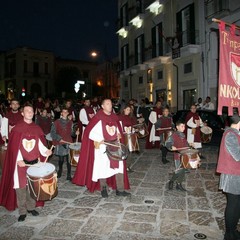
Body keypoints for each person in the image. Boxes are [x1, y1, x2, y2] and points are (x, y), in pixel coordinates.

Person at [0, 104, 52, 222]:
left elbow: (40, 145)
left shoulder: (36, 128)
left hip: (34, 163)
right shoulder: (17, 128)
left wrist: (46, 151)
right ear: (22, 113)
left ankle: (31, 208)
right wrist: (18, 159)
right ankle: (22, 211)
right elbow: (14, 148)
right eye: (27, 111)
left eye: (32, 111)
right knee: (21, 187)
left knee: (32, 186)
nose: (30, 112)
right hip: (21, 164)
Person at [72, 99, 130, 198]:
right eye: (107, 104)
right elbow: (89, 132)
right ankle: (103, 188)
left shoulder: (114, 116)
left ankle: (120, 189)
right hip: (103, 147)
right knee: (103, 167)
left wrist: (119, 134)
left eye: (111, 104)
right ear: (102, 106)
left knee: (119, 167)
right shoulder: (98, 117)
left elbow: (118, 129)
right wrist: (100, 139)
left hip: (115, 145)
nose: (110, 106)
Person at [216, 114, 240, 240]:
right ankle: (229, 233)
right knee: (233, 203)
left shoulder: (235, 133)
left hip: (237, 174)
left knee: (237, 204)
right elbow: (237, 155)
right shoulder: (230, 134)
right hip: (232, 176)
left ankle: (234, 229)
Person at [51, 107, 79, 181]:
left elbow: (72, 134)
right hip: (60, 142)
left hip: (68, 142)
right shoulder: (56, 122)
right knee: (61, 159)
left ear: (68, 113)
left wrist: (75, 133)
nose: (65, 113)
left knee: (69, 159)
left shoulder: (70, 122)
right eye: (63, 112)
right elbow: (52, 133)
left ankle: (69, 175)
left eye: (66, 112)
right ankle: (60, 171)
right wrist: (59, 138)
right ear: (61, 113)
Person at [165, 120, 191, 191]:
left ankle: (178, 184)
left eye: (184, 126)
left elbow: (186, 144)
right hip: (178, 156)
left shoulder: (183, 135)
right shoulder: (174, 135)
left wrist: (189, 145)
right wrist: (171, 147)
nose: (184, 128)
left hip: (184, 155)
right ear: (177, 127)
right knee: (179, 170)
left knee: (183, 170)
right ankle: (171, 181)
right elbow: (167, 143)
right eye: (182, 126)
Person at [118, 105, 138, 172]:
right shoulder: (120, 117)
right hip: (123, 136)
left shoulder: (129, 117)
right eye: (127, 109)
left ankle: (127, 166)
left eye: (129, 110)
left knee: (130, 152)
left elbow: (131, 126)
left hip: (129, 136)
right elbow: (119, 127)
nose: (128, 111)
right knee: (123, 152)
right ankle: (122, 167)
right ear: (124, 109)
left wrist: (133, 130)